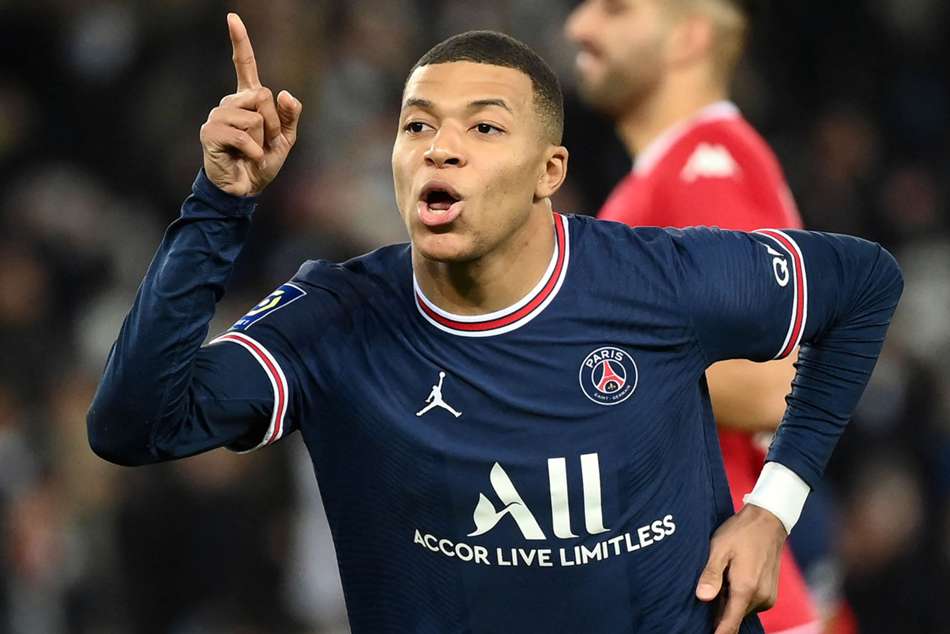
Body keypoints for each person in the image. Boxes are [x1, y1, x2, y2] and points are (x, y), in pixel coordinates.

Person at [87, 13, 902, 634]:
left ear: (550, 170)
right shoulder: (336, 321)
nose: (441, 148)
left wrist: (773, 507)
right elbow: (133, 424)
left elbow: (865, 286)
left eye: (484, 126)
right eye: (417, 125)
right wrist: (219, 205)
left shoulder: (656, 280)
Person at [565, 1, 822, 631]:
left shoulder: (702, 166)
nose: (580, 26)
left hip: (716, 590)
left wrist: (568, 364)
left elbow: (773, 383)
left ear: (689, 38)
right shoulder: (668, 175)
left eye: (615, 9)